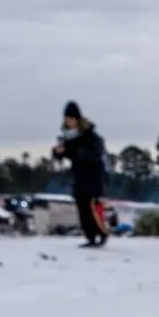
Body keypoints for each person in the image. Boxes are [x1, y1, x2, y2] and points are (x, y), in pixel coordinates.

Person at [52, 101, 109, 247]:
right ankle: (90, 237)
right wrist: (59, 152)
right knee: (81, 206)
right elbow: (64, 154)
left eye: (71, 119)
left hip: (93, 176)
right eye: (66, 119)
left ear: (77, 119)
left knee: (92, 206)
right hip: (79, 176)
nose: (68, 122)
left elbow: (96, 154)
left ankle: (102, 233)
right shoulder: (68, 137)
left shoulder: (91, 135)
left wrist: (77, 153)